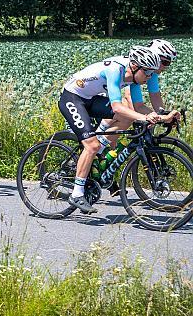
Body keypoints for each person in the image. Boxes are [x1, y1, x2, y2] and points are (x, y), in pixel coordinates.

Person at [59, 45, 180, 214]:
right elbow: (116, 107)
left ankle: (98, 154)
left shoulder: (135, 78)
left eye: (152, 73)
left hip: (92, 98)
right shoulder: (116, 70)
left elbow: (138, 106)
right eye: (147, 73)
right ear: (136, 67)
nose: (150, 77)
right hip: (72, 97)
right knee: (91, 145)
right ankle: (77, 194)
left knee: (126, 117)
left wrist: (162, 117)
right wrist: (146, 118)